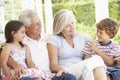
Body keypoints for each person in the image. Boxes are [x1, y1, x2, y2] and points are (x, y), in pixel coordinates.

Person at [6, 9, 76, 80]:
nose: (40, 25)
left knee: (70, 77)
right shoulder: (20, 41)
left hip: (50, 76)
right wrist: (14, 64)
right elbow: (4, 51)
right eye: (36, 24)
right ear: (26, 28)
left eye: (39, 21)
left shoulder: (49, 38)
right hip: (32, 77)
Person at [47, 9, 107, 80]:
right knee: (96, 59)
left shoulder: (82, 37)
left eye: (72, 23)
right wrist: (63, 71)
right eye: (67, 26)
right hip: (67, 71)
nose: (72, 28)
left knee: (91, 72)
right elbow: (53, 65)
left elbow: (99, 45)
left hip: (83, 69)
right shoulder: (54, 39)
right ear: (60, 27)